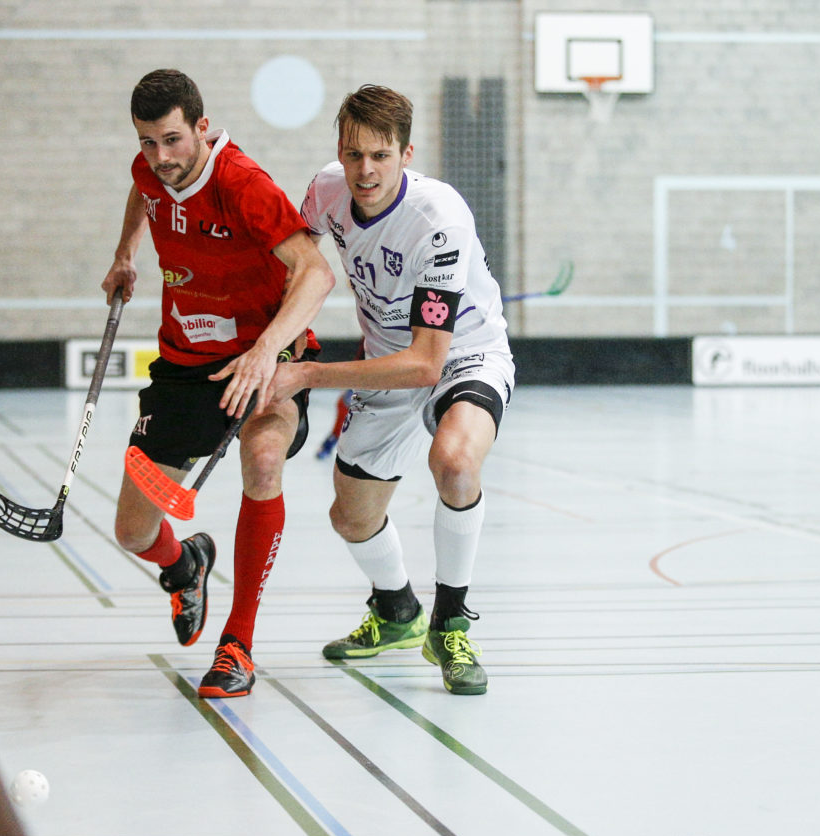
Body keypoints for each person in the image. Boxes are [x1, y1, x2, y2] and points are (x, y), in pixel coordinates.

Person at [270, 85, 514, 695]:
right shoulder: (326, 190)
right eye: (353, 154)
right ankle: (396, 609)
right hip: (385, 361)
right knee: (350, 519)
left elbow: (427, 364)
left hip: (462, 356)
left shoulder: (440, 223)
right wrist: (283, 337)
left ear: (407, 153)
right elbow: (295, 265)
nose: (364, 171)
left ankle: (450, 622)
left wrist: (307, 374)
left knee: (454, 462)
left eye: (380, 156)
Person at [102, 69, 334, 698]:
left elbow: (315, 274)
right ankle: (185, 565)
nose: (161, 157)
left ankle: (238, 643)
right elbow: (143, 190)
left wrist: (265, 351)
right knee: (132, 532)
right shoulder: (150, 169)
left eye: (173, 140)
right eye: (148, 142)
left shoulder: (243, 185)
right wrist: (126, 254)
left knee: (262, 462)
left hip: (261, 362)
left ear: (201, 127)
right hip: (181, 369)